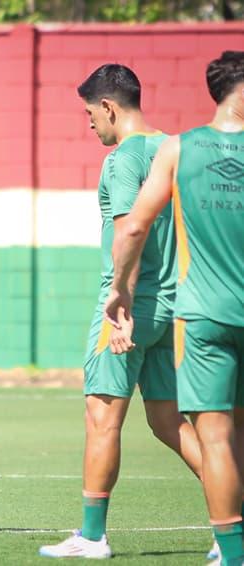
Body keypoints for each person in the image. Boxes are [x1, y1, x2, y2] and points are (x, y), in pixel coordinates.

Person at [39, 64, 203, 559]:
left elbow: (132, 229)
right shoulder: (178, 149)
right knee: (169, 420)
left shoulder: (122, 160)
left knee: (102, 417)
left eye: (90, 113)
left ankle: (92, 536)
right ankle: (232, 520)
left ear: (108, 107)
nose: (89, 123)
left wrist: (121, 299)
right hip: (177, 307)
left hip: (130, 307)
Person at [103, 51, 244, 566]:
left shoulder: (180, 149)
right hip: (204, 316)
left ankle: (233, 554)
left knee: (217, 438)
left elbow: (134, 227)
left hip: (203, 317)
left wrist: (119, 289)